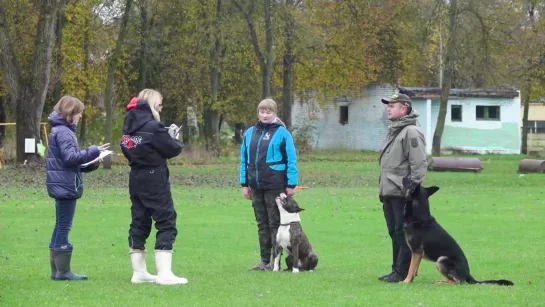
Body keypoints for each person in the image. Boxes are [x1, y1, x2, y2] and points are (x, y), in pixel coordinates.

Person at [120, 89, 188, 285]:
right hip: (154, 177)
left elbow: (129, 149)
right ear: (151, 105)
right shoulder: (153, 126)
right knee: (166, 220)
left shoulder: (128, 127)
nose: (161, 107)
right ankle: (164, 273)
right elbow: (172, 148)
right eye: (159, 104)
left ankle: (139, 272)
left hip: (135, 177)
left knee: (139, 221)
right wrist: (173, 137)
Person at [46, 96, 109, 281]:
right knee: (64, 226)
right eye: (79, 112)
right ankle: (62, 272)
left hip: (62, 184)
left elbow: (72, 163)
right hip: (66, 186)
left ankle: (57, 271)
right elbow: (71, 158)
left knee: (60, 225)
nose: (80, 116)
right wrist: (93, 150)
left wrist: (93, 162)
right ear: (70, 113)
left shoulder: (59, 130)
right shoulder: (64, 132)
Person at [240, 98, 299, 271]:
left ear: (274, 113)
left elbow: (291, 159)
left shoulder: (282, 133)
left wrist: (291, 183)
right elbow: (244, 159)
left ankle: (276, 262)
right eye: (262, 112)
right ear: (258, 113)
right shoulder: (250, 132)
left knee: (275, 223)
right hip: (256, 185)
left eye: (268, 112)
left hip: (275, 184)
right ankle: (264, 260)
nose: (265, 115)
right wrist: (245, 183)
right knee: (261, 224)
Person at [378, 93, 427, 283]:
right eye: (388, 105)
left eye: (392, 105)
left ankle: (403, 272)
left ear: (404, 108)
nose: (388, 108)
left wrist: (412, 192)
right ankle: (396, 270)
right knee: (394, 232)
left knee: (402, 233)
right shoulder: (395, 131)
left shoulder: (411, 132)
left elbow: (419, 164)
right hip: (389, 191)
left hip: (402, 193)